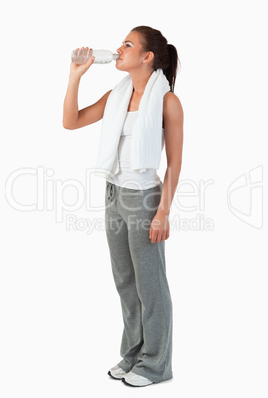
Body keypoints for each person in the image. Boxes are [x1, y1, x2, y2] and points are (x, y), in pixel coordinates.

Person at [63, 25, 184, 387]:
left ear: (147, 57)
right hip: (113, 193)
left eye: (127, 44)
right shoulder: (117, 94)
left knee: (151, 285)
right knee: (125, 282)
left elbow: (174, 164)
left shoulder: (167, 102)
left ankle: (156, 364)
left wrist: (163, 211)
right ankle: (134, 353)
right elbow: (71, 121)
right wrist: (74, 77)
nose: (119, 48)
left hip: (144, 198)